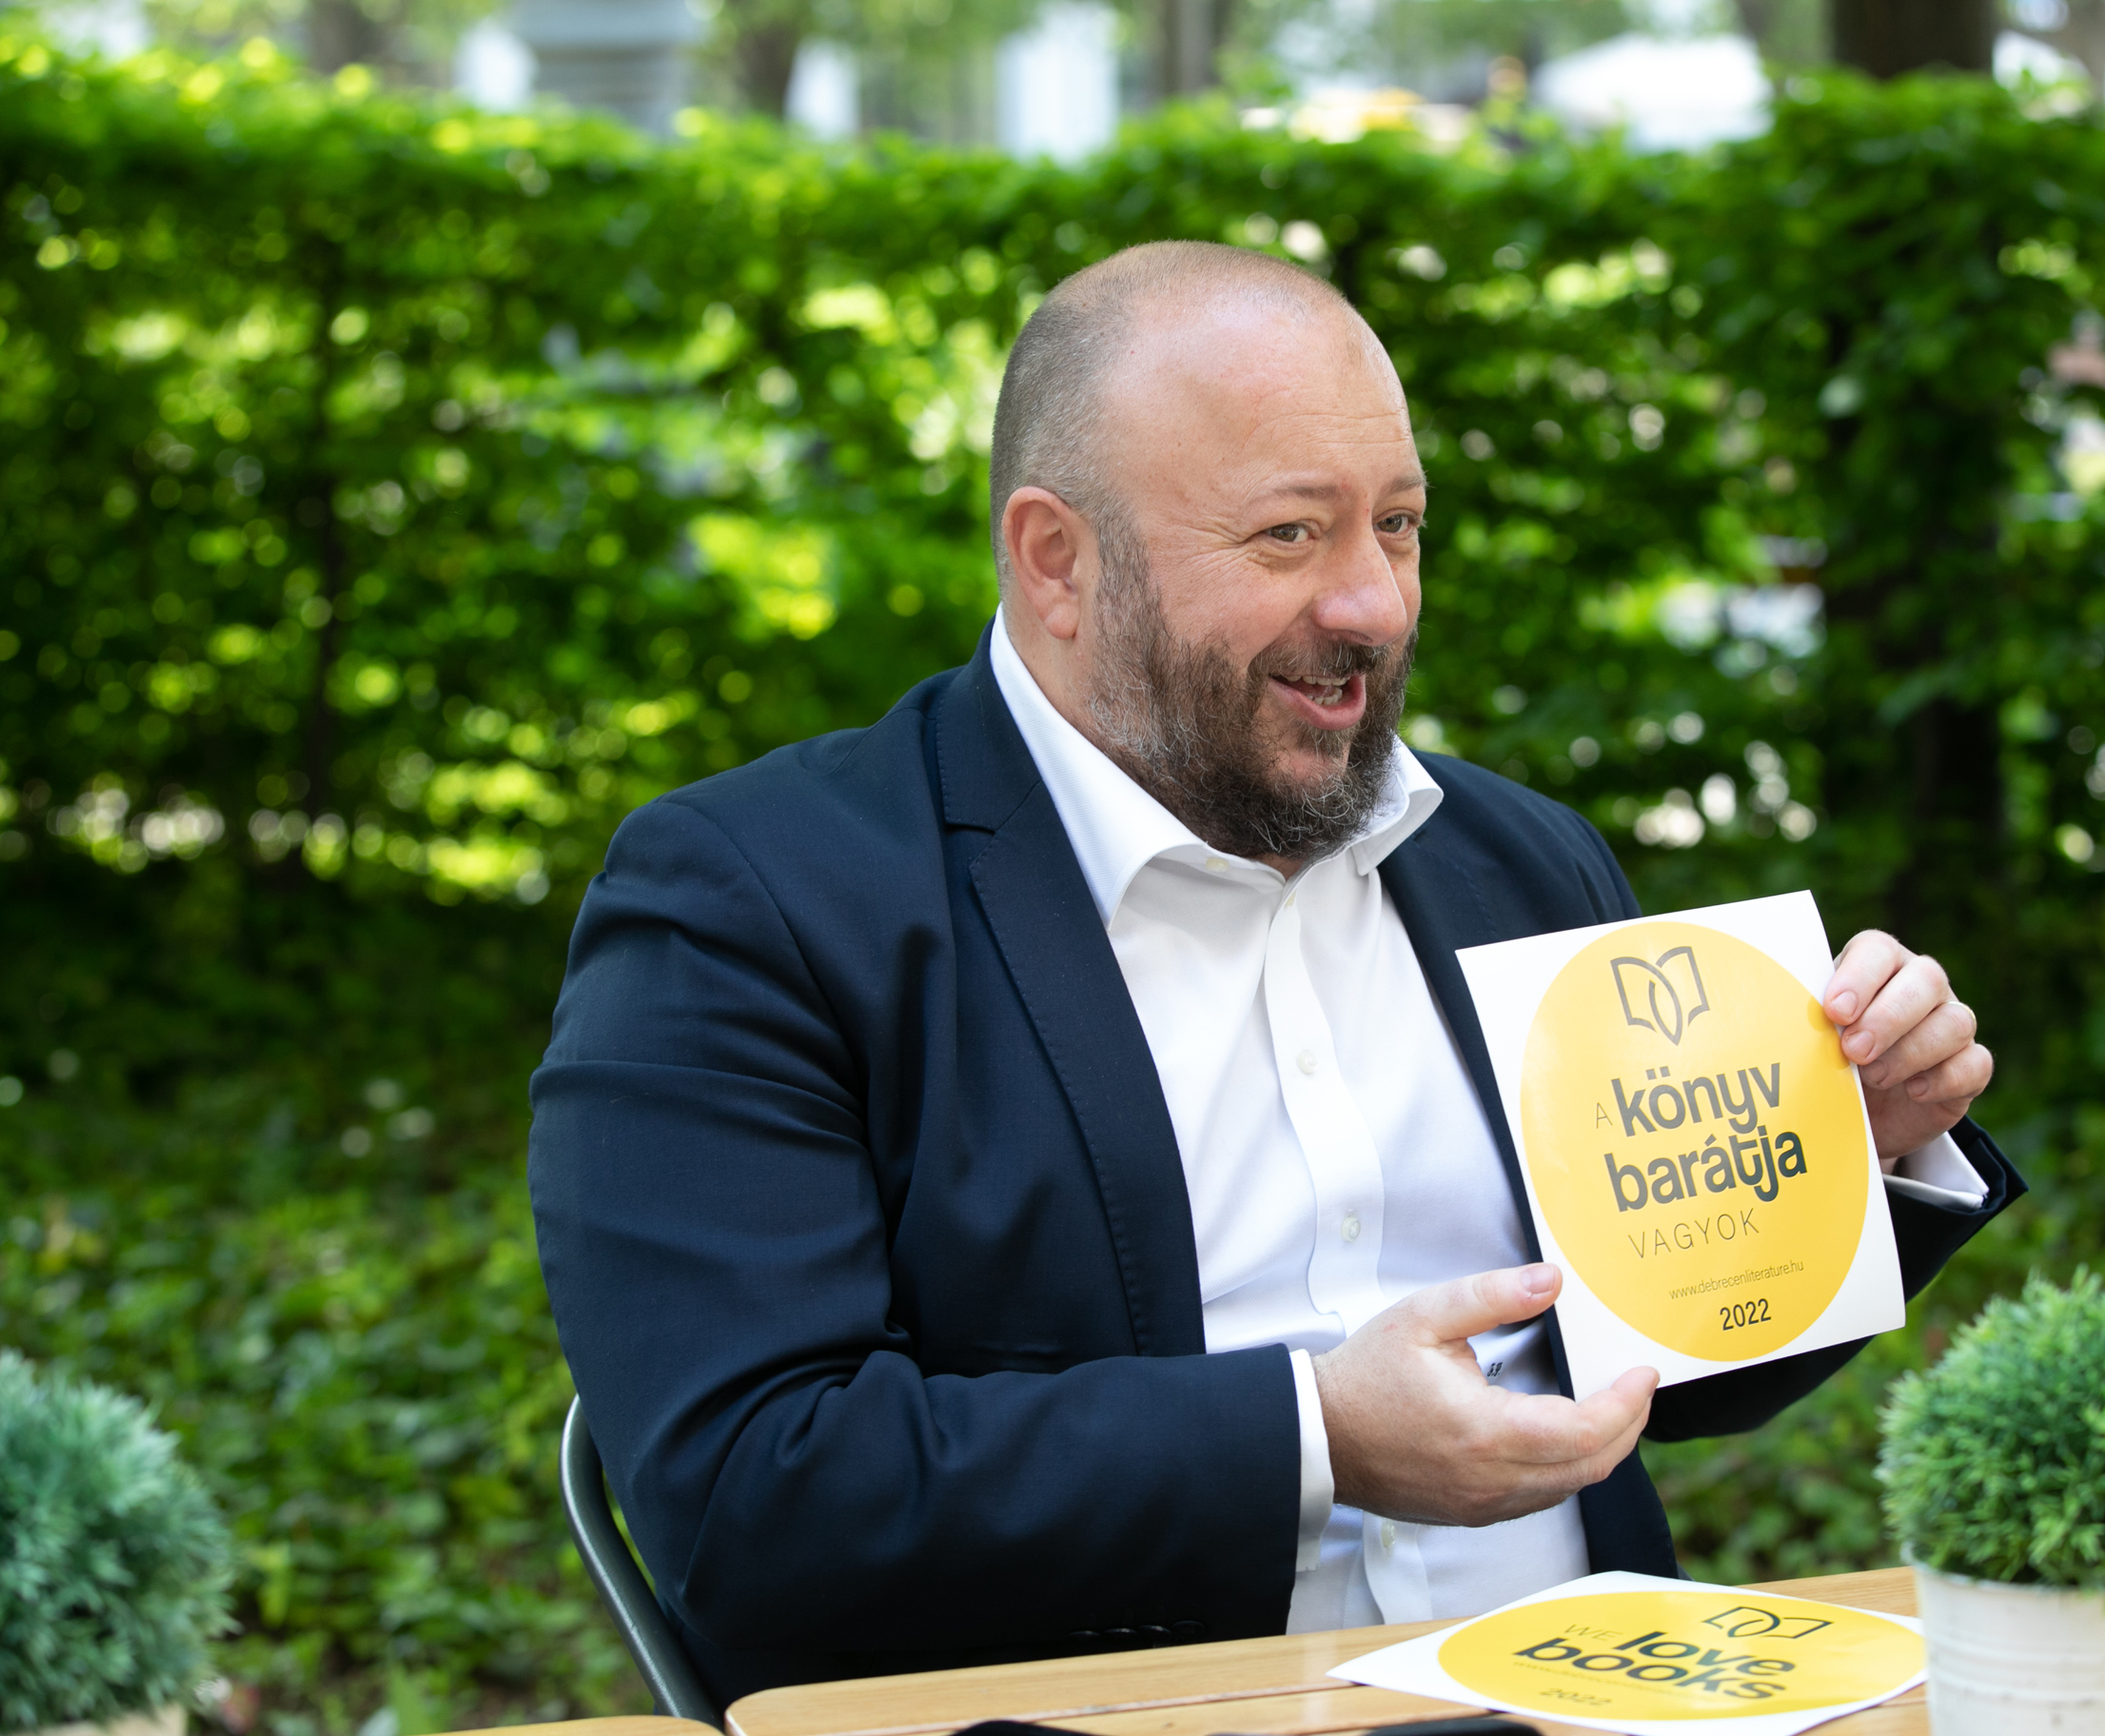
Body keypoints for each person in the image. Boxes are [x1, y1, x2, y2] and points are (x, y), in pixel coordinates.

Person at [527, 240, 2020, 1702]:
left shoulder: (1520, 863)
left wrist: (1849, 1153)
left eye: (1399, 525)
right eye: (1290, 536)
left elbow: (1673, 1361)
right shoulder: (753, 904)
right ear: (1058, 561)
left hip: (1598, 1699)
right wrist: (1316, 1439)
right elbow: (755, 1500)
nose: (1374, 602)